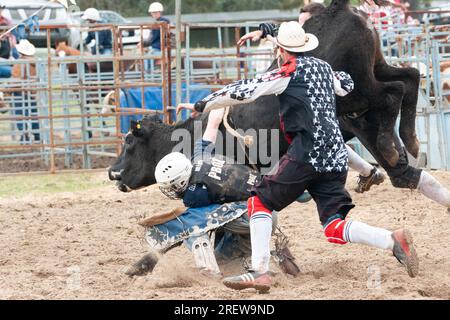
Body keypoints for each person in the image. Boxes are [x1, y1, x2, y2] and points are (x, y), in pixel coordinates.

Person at [191, 22, 419, 293]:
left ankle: (260, 272)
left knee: (259, 203)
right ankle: (391, 240)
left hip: (307, 152)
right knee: (334, 225)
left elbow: (244, 90)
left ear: (282, 49)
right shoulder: (324, 69)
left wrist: (206, 103)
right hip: (336, 156)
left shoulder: (285, 72)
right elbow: (346, 84)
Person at [125, 110, 300, 278]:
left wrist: (156, 250)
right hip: (264, 208)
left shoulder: (194, 195)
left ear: (178, 183)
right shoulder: (198, 157)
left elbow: (189, 225)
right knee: (218, 230)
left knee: (193, 228)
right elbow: (213, 124)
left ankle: (211, 271)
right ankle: (269, 255)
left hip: (254, 216)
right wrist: (222, 103)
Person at [237, 3, 385, 194]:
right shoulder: (310, 45)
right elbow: (285, 40)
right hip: (305, 96)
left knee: (312, 136)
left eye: (305, 24)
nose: (302, 28)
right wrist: (263, 32)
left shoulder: (324, 47)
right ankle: (368, 171)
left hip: (308, 96)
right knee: (323, 137)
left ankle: (298, 181)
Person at [11, 39, 40, 142]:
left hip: (19, 91)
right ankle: (37, 135)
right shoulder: (35, 63)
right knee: (33, 113)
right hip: (31, 92)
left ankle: (24, 135)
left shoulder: (19, 63)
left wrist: (8, 90)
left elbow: (15, 80)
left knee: (20, 114)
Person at [140, 2, 170, 71]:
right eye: (153, 13)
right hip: (161, 46)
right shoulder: (164, 21)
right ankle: (152, 72)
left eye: (154, 13)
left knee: (146, 59)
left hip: (158, 48)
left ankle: (148, 74)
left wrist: (142, 43)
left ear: (159, 12)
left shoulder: (159, 23)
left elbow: (153, 38)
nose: (153, 14)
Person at [0, 4, 19, 78]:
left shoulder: (6, 21)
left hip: (6, 59)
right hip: (3, 62)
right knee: (14, 71)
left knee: (16, 54)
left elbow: (13, 35)